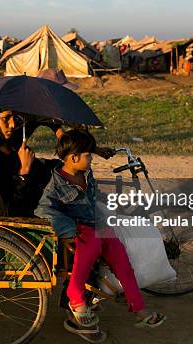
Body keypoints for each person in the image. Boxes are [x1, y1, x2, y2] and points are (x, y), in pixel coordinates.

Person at [35, 130, 166, 341]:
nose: (91, 159)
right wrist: (68, 229)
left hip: (100, 225)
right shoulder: (56, 183)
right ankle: (76, 299)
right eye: (88, 155)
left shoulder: (87, 174)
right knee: (84, 263)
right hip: (81, 231)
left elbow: (96, 196)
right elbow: (44, 210)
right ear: (73, 158)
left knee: (123, 264)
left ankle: (139, 308)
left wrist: (115, 204)